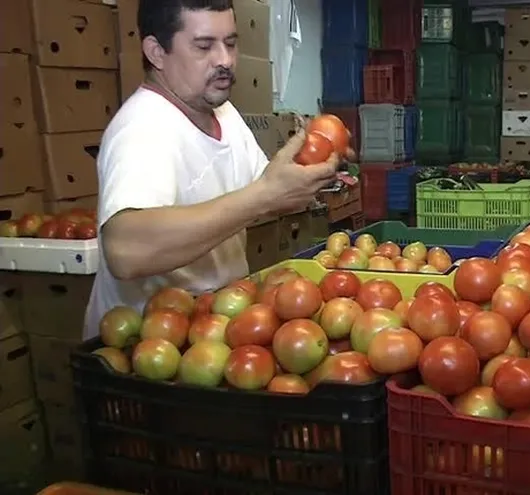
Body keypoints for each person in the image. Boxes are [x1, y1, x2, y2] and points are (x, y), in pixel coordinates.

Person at [84, 0, 344, 338]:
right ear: (156, 52)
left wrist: (316, 160)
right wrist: (263, 196)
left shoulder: (223, 114)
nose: (224, 60)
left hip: (216, 326)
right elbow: (124, 250)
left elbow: (271, 191)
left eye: (231, 43)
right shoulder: (143, 130)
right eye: (204, 46)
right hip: (149, 344)